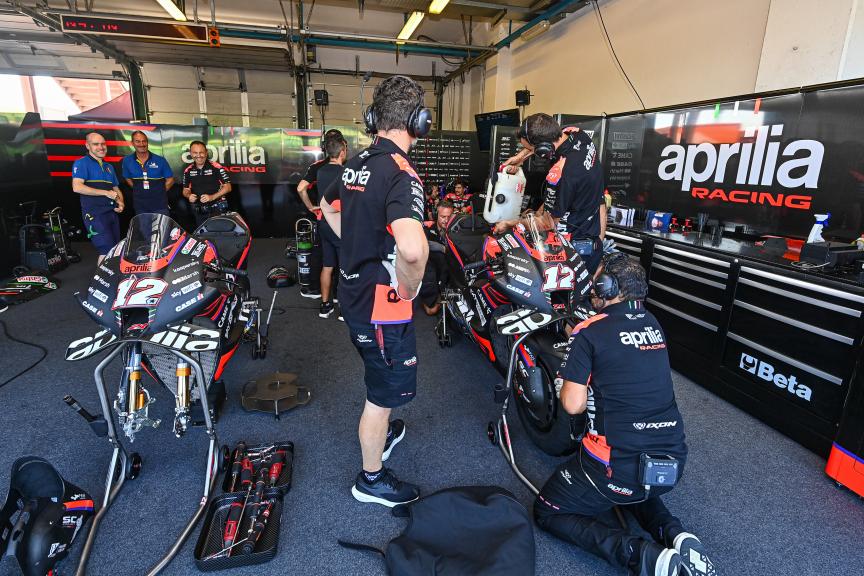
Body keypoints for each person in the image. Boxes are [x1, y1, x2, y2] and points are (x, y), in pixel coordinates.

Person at [534, 253, 716, 576]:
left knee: (547, 510)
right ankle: (675, 533)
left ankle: (640, 555)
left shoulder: (589, 332)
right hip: (671, 463)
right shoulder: (654, 324)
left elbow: (572, 404)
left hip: (615, 469)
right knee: (634, 483)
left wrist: (575, 356)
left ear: (606, 286)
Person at [320, 74, 429, 507]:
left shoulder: (357, 161)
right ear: (419, 123)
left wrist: (354, 243)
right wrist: (407, 287)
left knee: (380, 375)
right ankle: (371, 478)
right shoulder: (402, 173)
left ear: (373, 119)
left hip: (354, 296)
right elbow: (413, 249)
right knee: (380, 396)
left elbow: (326, 204)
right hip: (380, 306)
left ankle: (382, 432)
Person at [497, 114, 606, 273]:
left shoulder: (562, 175)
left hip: (572, 249)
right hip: (594, 234)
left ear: (543, 148)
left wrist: (510, 223)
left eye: (531, 149)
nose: (531, 152)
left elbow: (547, 223)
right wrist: (520, 157)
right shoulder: (576, 134)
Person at [71, 132, 124, 264]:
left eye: (103, 144)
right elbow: (77, 187)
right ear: (87, 146)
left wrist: (121, 202)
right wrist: (105, 193)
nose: (101, 147)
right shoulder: (81, 163)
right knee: (106, 249)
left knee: (115, 249)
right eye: (96, 144)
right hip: (94, 214)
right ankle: (101, 282)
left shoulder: (109, 167)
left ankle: (113, 279)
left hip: (111, 213)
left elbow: (116, 189)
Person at [316, 130, 347, 320]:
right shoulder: (345, 173)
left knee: (327, 266)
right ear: (342, 151)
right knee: (345, 268)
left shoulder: (320, 171)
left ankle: (325, 306)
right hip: (339, 224)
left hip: (323, 223)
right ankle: (344, 309)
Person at [121, 130, 174, 216]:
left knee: (161, 229)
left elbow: (170, 180)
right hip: (140, 206)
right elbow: (127, 177)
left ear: (147, 142)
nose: (141, 144)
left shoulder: (160, 160)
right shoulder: (127, 161)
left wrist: (159, 192)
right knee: (144, 229)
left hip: (160, 205)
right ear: (132, 143)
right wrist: (139, 190)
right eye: (138, 141)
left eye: (144, 141)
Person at [181, 140, 231, 227]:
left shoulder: (216, 167)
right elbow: (185, 190)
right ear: (191, 153)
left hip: (217, 210)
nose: (198, 155)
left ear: (206, 153)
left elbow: (228, 187)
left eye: (201, 152)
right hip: (200, 212)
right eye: (195, 153)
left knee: (219, 237)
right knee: (203, 239)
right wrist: (189, 196)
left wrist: (212, 197)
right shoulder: (188, 170)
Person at [419, 201, 454, 315]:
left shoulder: (455, 230)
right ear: (436, 215)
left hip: (450, 276)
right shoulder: (427, 228)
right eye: (443, 216)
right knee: (431, 310)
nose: (446, 220)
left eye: (449, 217)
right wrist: (442, 248)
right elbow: (422, 243)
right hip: (431, 275)